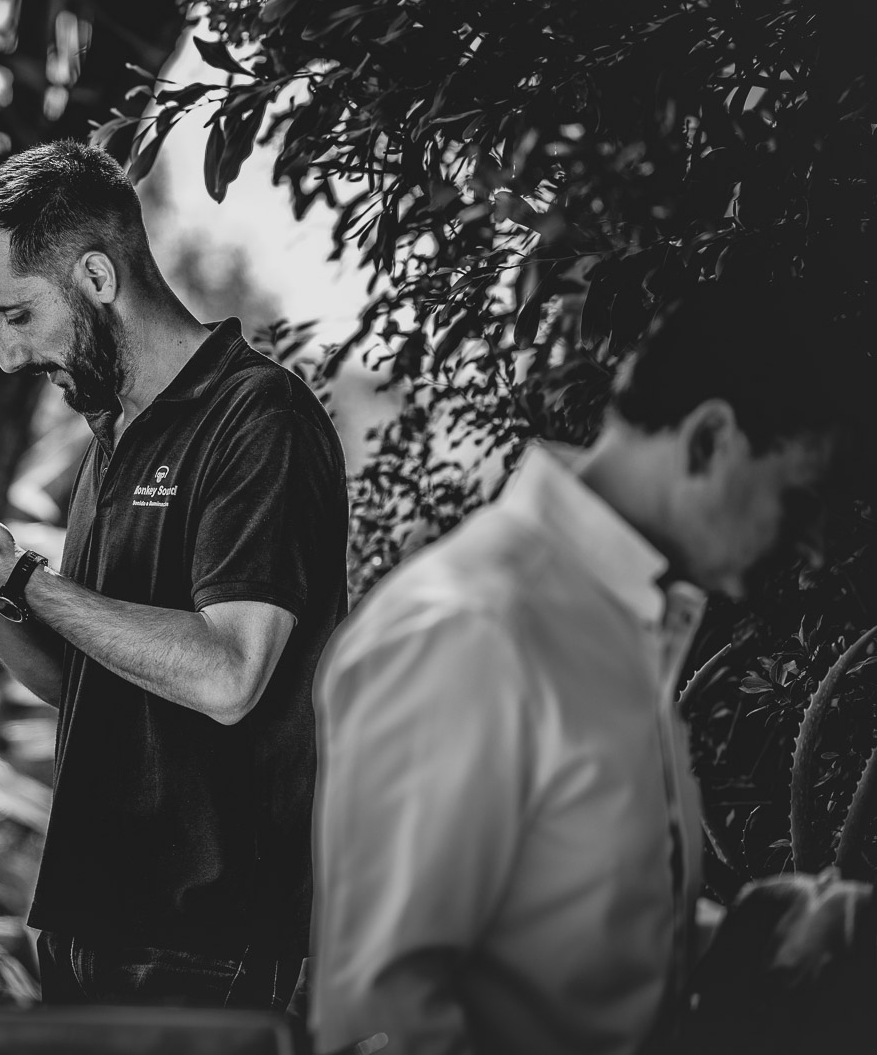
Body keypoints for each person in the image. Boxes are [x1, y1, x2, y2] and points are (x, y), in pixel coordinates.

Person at [0, 140, 348, 1009]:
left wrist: (24, 575)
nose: (7, 355)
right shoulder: (111, 439)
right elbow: (79, 682)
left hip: (207, 946)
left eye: (16, 315)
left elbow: (229, 675)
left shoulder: (258, 418)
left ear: (96, 276)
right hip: (89, 929)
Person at [310, 284, 852, 1055]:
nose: (815, 553)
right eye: (798, 502)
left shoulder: (612, 619)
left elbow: (564, 945)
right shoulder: (474, 631)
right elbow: (386, 1020)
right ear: (708, 441)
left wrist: (761, 940)